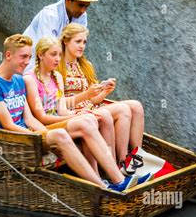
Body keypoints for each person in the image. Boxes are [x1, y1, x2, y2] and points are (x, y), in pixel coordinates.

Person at [0, 34, 135, 192]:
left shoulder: (18, 80)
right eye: (23, 57)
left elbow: (29, 118)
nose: (27, 62)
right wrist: (41, 137)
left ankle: (118, 178)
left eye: (29, 57)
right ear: (8, 55)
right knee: (61, 134)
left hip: (30, 131)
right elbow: (8, 124)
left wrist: (46, 134)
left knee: (87, 121)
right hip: (10, 139)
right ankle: (104, 188)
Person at [24, 36, 135, 183]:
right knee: (86, 120)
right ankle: (110, 179)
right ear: (40, 55)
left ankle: (109, 171)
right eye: (53, 54)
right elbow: (41, 118)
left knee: (95, 117)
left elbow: (62, 108)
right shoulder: (30, 79)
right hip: (46, 125)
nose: (57, 59)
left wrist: (78, 113)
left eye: (59, 55)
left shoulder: (56, 76)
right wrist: (74, 117)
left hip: (59, 118)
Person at [57, 23, 145, 177]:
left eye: (84, 42)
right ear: (65, 41)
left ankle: (136, 157)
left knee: (136, 106)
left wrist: (105, 91)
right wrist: (87, 96)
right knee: (123, 109)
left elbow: (93, 99)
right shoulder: (57, 66)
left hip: (91, 107)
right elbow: (58, 102)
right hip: (74, 112)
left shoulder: (85, 65)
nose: (82, 46)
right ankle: (122, 162)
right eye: (78, 41)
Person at [23, 0, 98, 72]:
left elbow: (75, 45)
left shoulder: (82, 15)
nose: (83, 10)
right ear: (68, 0)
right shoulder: (49, 14)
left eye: (86, 6)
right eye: (80, 5)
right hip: (30, 62)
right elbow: (47, 48)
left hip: (57, 62)